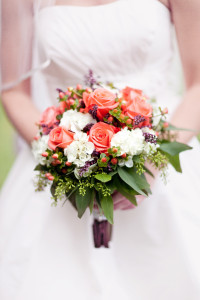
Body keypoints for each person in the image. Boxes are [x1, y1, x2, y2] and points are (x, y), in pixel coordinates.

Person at [1, 0, 200, 299]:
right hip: (61, 162)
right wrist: (63, 156)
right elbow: (13, 90)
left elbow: (198, 83)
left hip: (163, 155)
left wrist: (154, 163)